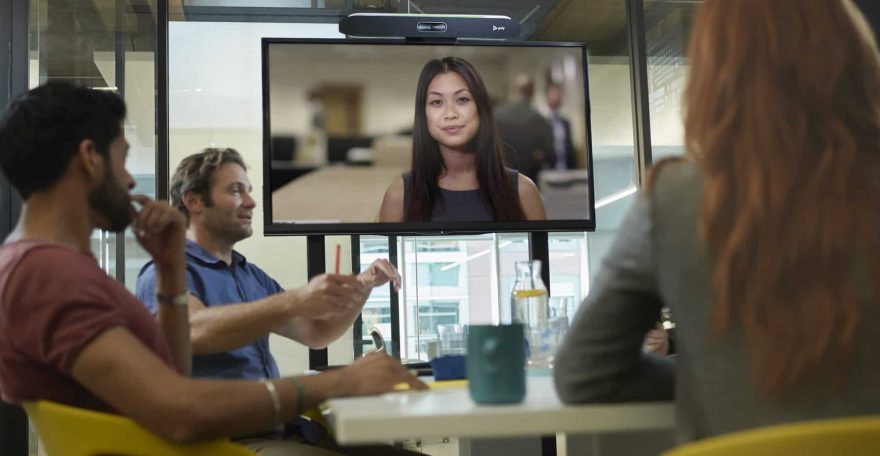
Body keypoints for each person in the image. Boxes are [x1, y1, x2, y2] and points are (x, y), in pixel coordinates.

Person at [0, 82, 425, 451]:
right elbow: (180, 411)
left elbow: (173, 374)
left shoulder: (43, 267)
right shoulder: (49, 276)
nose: (129, 180)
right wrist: (339, 381)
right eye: (122, 159)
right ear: (90, 159)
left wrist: (170, 269)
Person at [553, 0, 880, 443]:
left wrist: (716, 384)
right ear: (858, 62)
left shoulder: (676, 200)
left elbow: (583, 373)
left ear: (715, 75)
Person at [136, 147, 420, 455]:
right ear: (194, 201)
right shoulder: (168, 271)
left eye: (249, 191)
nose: (251, 202)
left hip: (284, 429)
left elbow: (316, 332)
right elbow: (191, 331)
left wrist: (364, 285)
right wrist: (293, 300)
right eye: (235, 191)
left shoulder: (251, 275)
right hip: (227, 442)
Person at [378, 57, 546, 223]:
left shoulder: (524, 191)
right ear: (423, 115)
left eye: (462, 100)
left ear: (481, 108)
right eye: (436, 102)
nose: (450, 114)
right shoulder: (399, 195)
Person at [494, 74, 555, 183]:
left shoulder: (498, 114)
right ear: (532, 92)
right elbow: (548, 152)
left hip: (503, 175)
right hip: (530, 177)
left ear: (515, 90)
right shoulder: (539, 118)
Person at [544, 82, 578, 170]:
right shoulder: (541, 122)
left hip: (566, 169)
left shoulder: (565, 122)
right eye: (553, 93)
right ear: (547, 96)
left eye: (559, 94)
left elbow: (570, 148)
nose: (557, 96)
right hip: (548, 170)